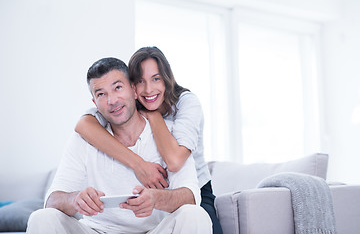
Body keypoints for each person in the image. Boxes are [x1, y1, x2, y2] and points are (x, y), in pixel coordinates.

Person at [26, 57, 212, 234]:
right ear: (94, 103)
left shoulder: (167, 132)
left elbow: (190, 197)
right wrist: (75, 199)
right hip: (96, 230)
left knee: (196, 215)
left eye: (117, 88)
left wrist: (156, 199)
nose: (112, 100)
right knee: (42, 218)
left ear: (133, 89)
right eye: (101, 94)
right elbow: (52, 200)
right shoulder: (84, 136)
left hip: (154, 230)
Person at [75, 46, 223, 234]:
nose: (149, 89)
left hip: (195, 189)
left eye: (156, 79)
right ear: (133, 87)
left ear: (166, 78)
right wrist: (139, 165)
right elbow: (84, 125)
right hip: (152, 193)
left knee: (199, 221)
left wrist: (154, 116)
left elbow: (175, 161)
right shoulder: (129, 104)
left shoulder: (186, 102)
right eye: (140, 81)